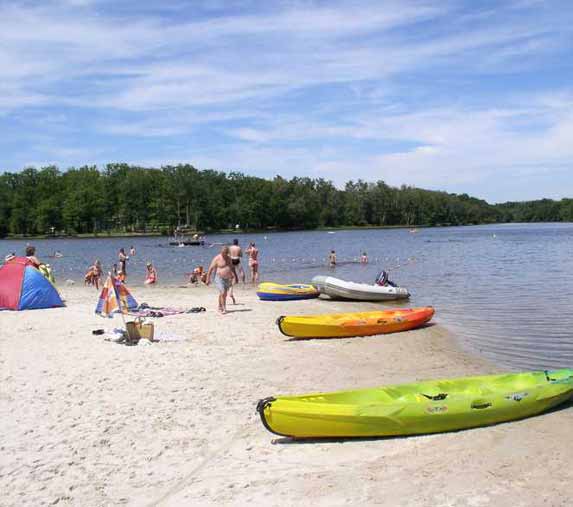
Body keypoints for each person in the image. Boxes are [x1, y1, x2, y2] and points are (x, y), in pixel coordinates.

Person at [206, 245, 238, 314]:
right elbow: (210, 269)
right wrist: (208, 279)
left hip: (227, 278)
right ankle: (224, 308)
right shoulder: (217, 258)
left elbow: (232, 268)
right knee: (223, 292)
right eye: (223, 253)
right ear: (221, 252)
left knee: (223, 294)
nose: (224, 254)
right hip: (219, 278)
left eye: (226, 253)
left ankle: (220, 306)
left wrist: (236, 276)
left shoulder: (229, 258)